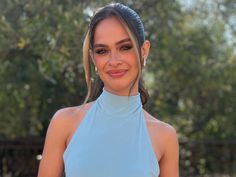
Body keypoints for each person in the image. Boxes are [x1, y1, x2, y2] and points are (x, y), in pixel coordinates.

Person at [37, 3, 179, 177]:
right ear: (93, 58)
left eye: (125, 47)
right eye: (102, 51)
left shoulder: (165, 136)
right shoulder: (64, 123)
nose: (114, 60)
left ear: (144, 51)